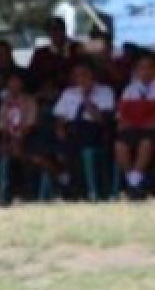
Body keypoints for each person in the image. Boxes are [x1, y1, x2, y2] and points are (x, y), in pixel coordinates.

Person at [53, 60, 116, 199]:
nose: (81, 78)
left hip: (94, 128)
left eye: (84, 74)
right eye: (77, 75)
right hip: (71, 128)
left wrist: (86, 97)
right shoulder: (68, 92)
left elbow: (102, 120)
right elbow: (60, 116)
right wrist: (60, 128)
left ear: (93, 75)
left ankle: (80, 187)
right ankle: (68, 184)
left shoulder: (105, 91)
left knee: (77, 143)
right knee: (58, 148)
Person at [114, 52, 155, 197]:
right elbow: (122, 115)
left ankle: (134, 185)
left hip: (151, 131)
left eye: (149, 67)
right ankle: (134, 183)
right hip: (133, 129)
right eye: (141, 68)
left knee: (146, 143)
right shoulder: (130, 90)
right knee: (120, 146)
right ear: (136, 71)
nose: (145, 71)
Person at [0, 72, 38, 205]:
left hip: (28, 139)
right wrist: (8, 138)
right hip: (9, 139)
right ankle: (3, 193)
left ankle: (25, 190)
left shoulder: (29, 101)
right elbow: (2, 125)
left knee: (17, 151)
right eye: (11, 83)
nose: (13, 86)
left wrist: (19, 138)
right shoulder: (5, 103)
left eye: (16, 83)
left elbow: (30, 125)